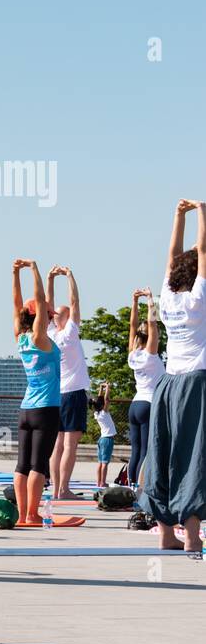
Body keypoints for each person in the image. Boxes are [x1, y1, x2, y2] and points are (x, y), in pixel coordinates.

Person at [138, 200, 206, 554]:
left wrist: (179, 216)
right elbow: (202, 250)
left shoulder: (167, 297)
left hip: (166, 385)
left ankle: (166, 531)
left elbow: (172, 255)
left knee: (162, 453)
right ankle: (192, 535)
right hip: (195, 382)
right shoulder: (198, 299)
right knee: (191, 455)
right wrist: (203, 213)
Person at [11, 259, 60, 525]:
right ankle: (31, 514)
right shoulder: (41, 339)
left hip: (26, 409)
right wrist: (33, 269)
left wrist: (14, 273)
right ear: (40, 317)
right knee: (39, 464)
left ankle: (21, 514)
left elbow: (18, 303)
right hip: (46, 409)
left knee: (22, 464)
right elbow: (40, 301)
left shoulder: (21, 337)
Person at [46, 266, 89, 500]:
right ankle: (63, 489)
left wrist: (50, 279)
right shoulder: (70, 334)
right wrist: (70, 277)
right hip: (72, 393)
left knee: (57, 444)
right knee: (70, 445)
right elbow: (75, 301)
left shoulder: (50, 334)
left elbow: (48, 305)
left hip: (56, 394)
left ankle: (56, 489)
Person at [127, 287, 164, 488]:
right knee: (146, 450)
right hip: (149, 404)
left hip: (134, 405)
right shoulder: (151, 354)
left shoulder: (133, 354)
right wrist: (151, 300)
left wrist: (134, 302)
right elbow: (152, 322)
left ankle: (131, 486)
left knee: (135, 449)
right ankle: (140, 488)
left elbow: (133, 325)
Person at [92, 383, 117, 487]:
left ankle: (99, 482)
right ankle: (102, 482)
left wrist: (101, 388)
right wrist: (107, 387)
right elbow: (106, 399)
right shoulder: (104, 413)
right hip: (107, 439)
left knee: (100, 462)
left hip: (101, 439)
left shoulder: (97, 413)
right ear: (102, 405)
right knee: (105, 463)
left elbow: (101, 400)